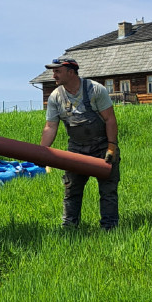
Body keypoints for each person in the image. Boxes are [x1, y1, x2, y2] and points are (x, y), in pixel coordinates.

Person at [39, 56, 120, 230]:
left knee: (108, 191)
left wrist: (111, 147)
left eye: (57, 71)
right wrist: (42, 153)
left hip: (102, 147)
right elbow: (50, 127)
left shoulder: (95, 90)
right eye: (53, 71)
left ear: (71, 72)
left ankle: (109, 228)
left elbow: (110, 120)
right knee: (72, 189)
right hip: (76, 149)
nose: (54, 75)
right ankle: (69, 228)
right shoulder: (56, 96)